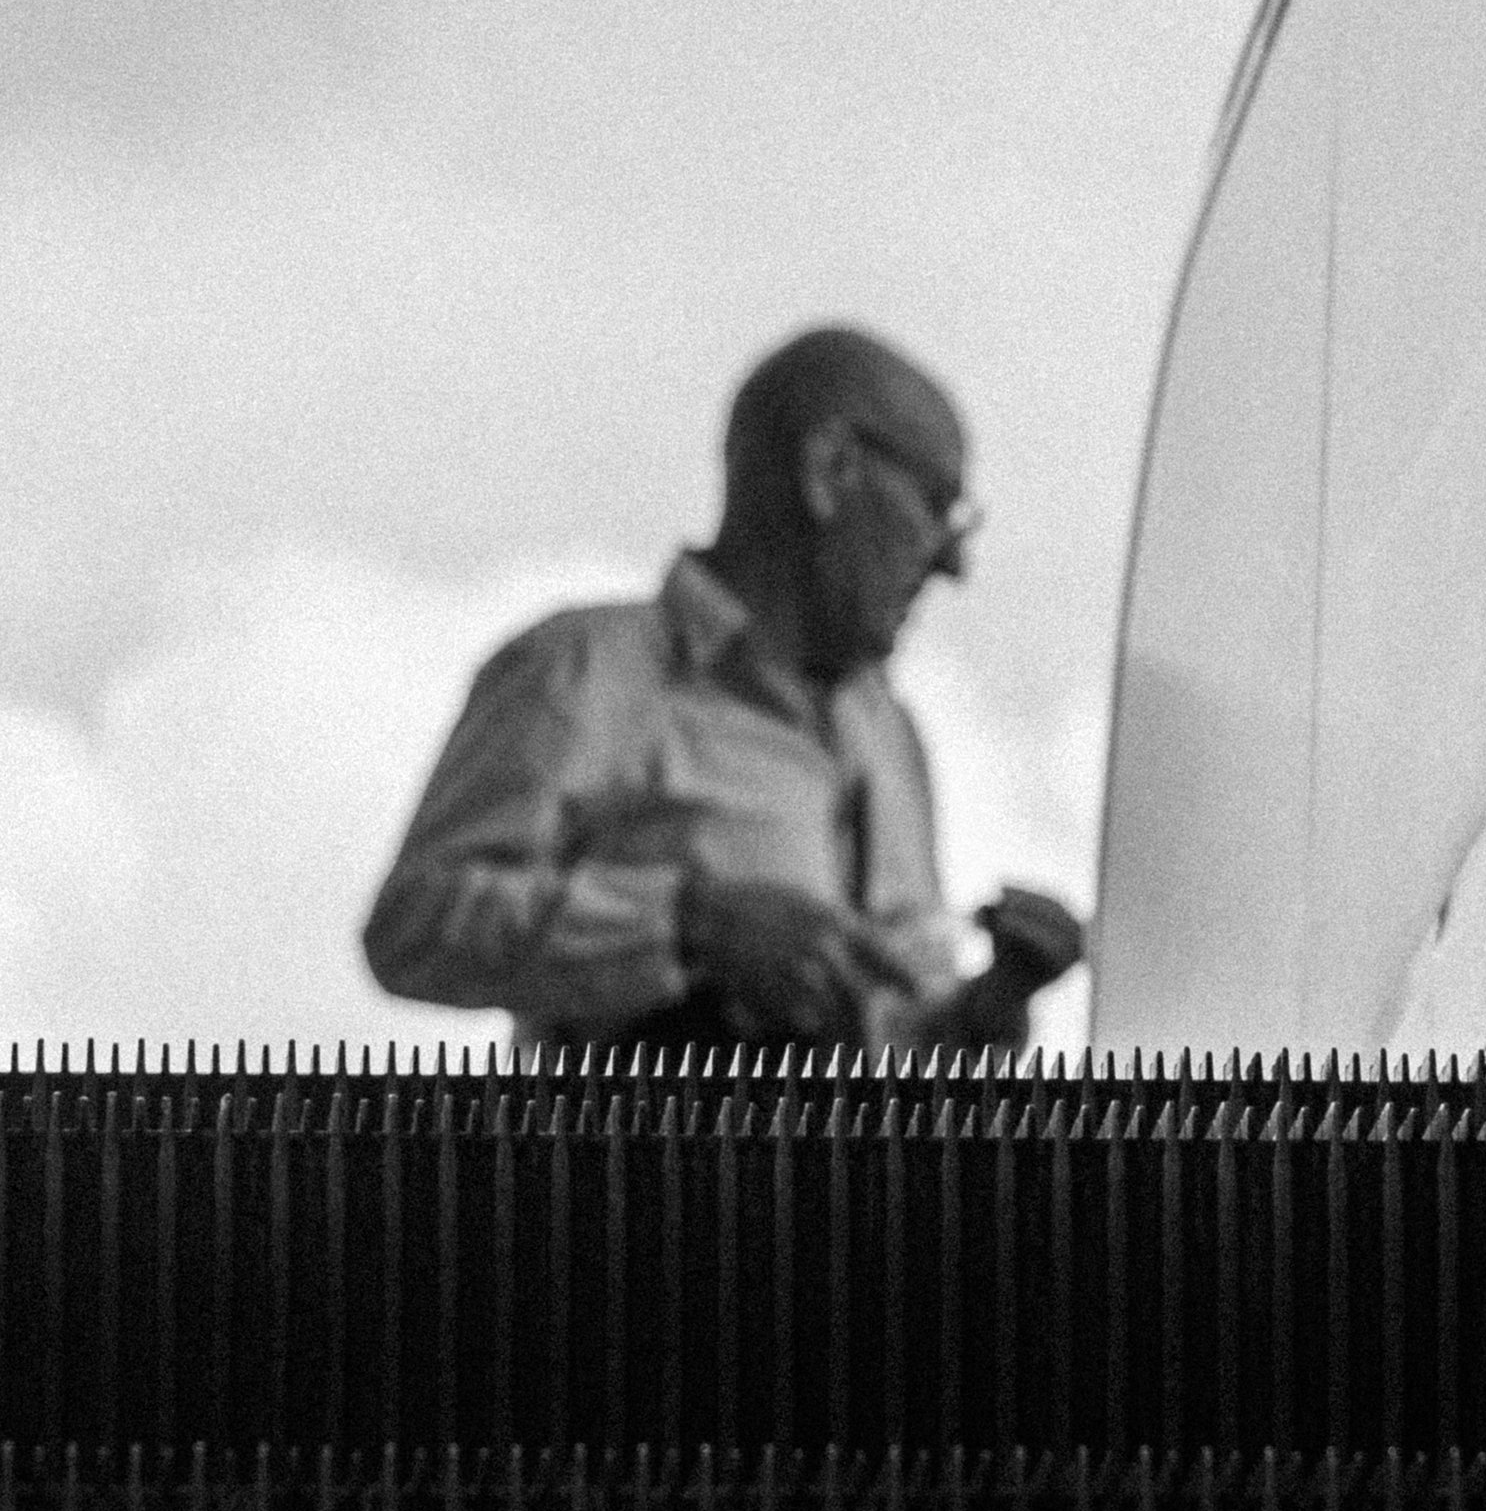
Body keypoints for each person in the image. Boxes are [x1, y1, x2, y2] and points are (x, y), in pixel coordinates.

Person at [362, 323, 1084, 1060]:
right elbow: (416, 926)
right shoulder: (585, 671)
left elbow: (899, 1036)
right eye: (939, 506)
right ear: (831, 470)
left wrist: (990, 1006)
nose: (954, 562)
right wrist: (691, 926)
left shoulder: (889, 733)